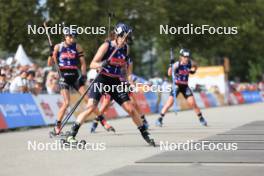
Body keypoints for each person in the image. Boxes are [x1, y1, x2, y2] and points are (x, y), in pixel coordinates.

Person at [66, 23, 155, 146]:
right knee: (91, 107)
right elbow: (92, 64)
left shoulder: (125, 48)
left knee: (131, 109)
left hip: (115, 81)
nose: (126, 40)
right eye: (124, 37)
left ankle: (145, 134)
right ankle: (71, 135)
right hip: (102, 79)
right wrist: (102, 64)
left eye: (127, 38)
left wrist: (129, 82)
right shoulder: (106, 46)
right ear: (118, 35)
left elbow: (127, 70)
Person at [156, 48, 208, 127]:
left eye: (187, 57)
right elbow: (169, 73)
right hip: (176, 85)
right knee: (169, 103)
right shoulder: (177, 64)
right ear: (181, 57)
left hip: (185, 86)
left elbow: (195, 65)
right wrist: (171, 66)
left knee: (193, 103)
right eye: (184, 57)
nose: (186, 58)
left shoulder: (190, 63)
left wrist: (193, 71)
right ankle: (159, 119)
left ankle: (201, 118)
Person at [50, 28, 88, 135]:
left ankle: (101, 120)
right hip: (64, 77)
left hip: (75, 76)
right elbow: (50, 63)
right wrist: (51, 53)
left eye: (74, 36)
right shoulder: (58, 47)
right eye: (70, 36)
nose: (72, 38)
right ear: (65, 36)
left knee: (88, 99)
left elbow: (83, 63)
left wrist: (84, 75)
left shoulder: (77, 46)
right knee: (66, 103)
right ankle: (57, 125)